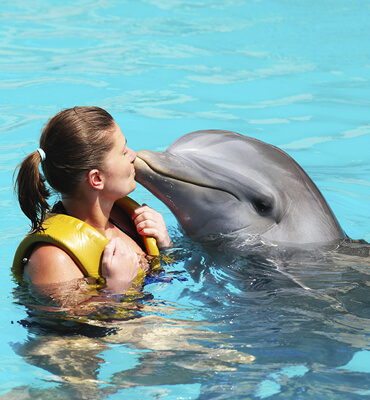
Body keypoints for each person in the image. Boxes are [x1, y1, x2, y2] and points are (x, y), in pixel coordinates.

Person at [14, 106, 171, 303]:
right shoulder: (52, 259)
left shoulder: (125, 218)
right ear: (96, 179)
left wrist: (166, 246)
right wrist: (116, 289)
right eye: (123, 152)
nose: (133, 155)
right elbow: (60, 332)